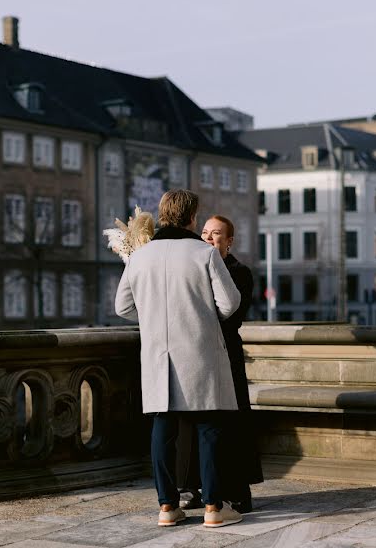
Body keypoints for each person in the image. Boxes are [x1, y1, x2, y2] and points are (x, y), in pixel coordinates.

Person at [115, 190, 244, 529]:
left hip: (158, 353)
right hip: (200, 351)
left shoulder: (140, 257)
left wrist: (154, 317)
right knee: (209, 428)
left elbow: (123, 307)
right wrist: (201, 313)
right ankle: (214, 507)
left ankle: (167, 506)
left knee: (163, 428)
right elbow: (230, 304)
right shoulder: (204, 253)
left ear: (162, 215)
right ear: (192, 218)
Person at [176, 215, 263, 513]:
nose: (209, 239)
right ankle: (192, 487)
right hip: (198, 353)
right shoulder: (195, 266)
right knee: (192, 422)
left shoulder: (240, 272)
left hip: (226, 354)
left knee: (232, 422)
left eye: (216, 234)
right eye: (204, 233)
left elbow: (230, 316)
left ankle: (237, 489)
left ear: (229, 241)